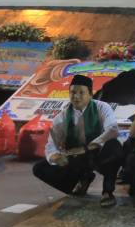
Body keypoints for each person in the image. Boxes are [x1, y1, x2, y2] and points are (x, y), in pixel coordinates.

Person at [32, 75, 122, 207]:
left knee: (114, 146)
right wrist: (55, 156)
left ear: (90, 94)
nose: (76, 96)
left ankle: (107, 192)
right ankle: (82, 178)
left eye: (81, 92)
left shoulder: (102, 108)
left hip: (99, 154)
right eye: (73, 92)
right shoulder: (62, 117)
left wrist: (85, 148)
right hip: (77, 158)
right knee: (40, 168)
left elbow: (112, 130)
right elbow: (51, 144)